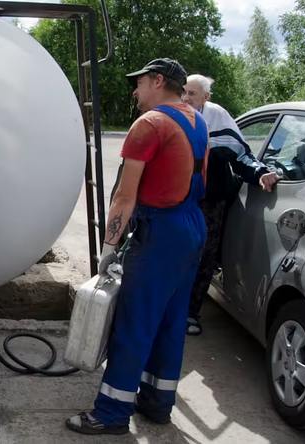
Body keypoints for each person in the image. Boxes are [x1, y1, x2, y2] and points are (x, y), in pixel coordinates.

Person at [66, 59, 208, 435]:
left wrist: (109, 247)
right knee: (171, 322)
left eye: (140, 82)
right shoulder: (197, 120)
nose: (135, 90)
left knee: (135, 323)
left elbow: (125, 198)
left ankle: (111, 414)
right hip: (192, 227)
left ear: (158, 81)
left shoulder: (149, 124)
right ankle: (157, 404)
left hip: (160, 232)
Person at [182, 74, 279, 336]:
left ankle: (191, 313)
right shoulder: (174, 115)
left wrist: (261, 173)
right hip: (178, 198)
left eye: (193, 93)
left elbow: (241, 155)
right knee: (175, 254)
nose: (187, 97)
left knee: (203, 256)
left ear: (206, 97)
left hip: (210, 200)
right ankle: (167, 310)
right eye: (184, 92)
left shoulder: (217, 118)